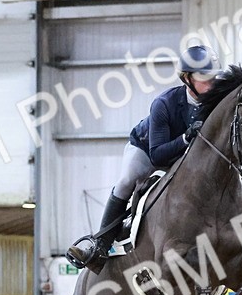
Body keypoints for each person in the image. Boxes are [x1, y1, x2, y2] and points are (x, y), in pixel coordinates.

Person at [65, 44, 222, 273]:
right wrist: (185, 139)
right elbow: (158, 156)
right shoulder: (164, 103)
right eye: (204, 78)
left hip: (187, 159)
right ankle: (101, 244)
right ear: (186, 78)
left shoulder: (216, 100)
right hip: (148, 151)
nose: (211, 84)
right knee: (128, 179)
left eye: (213, 78)